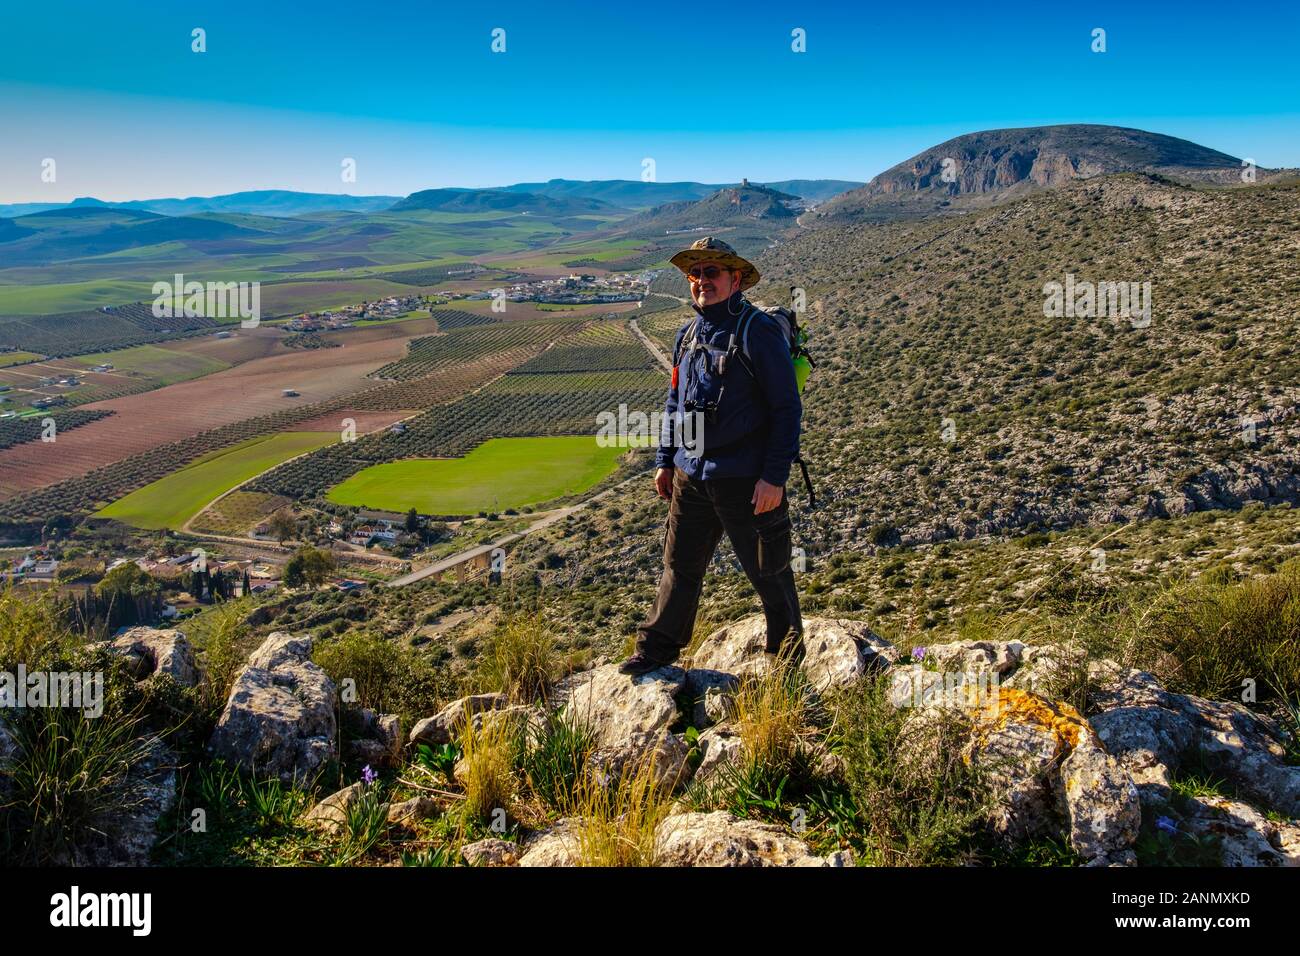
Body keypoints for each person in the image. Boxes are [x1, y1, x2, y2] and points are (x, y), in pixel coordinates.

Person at [620, 236, 804, 677]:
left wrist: (774, 478)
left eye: (712, 272)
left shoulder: (756, 330)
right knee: (679, 567)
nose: (703, 281)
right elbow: (675, 402)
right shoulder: (687, 334)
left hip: (747, 480)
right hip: (691, 473)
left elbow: (786, 409)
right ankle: (657, 650)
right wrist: (665, 459)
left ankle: (789, 663)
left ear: (735, 279)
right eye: (696, 274)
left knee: (770, 572)